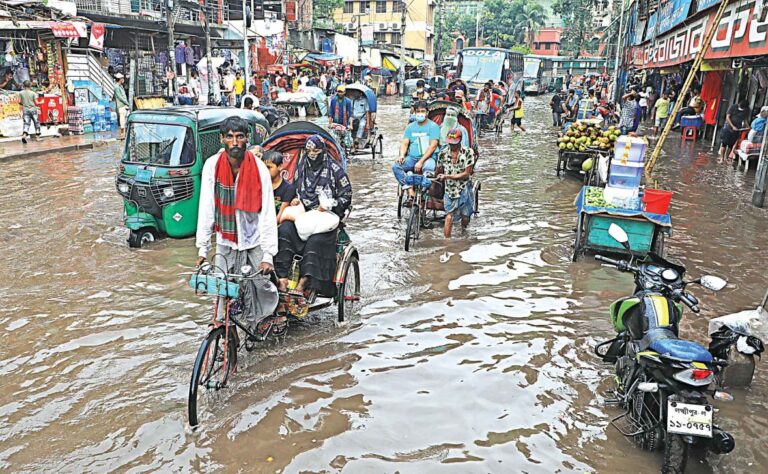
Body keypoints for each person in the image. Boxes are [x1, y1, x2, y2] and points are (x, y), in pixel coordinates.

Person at [195, 117, 278, 324]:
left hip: (254, 237)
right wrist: (202, 249)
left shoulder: (259, 168)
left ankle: (265, 318)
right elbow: (206, 208)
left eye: (239, 137)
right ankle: (224, 331)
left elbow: (267, 212)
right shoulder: (212, 166)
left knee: (261, 284)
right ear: (222, 139)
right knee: (223, 286)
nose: (234, 142)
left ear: (247, 139)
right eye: (230, 137)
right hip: (226, 238)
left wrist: (268, 254)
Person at [275, 135, 352, 295]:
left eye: (315, 151)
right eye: (308, 151)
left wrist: (329, 205)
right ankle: (281, 278)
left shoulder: (335, 170)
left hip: (325, 218)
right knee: (284, 231)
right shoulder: (302, 166)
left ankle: (305, 282)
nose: (312, 154)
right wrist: (295, 199)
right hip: (302, 215)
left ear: (322, 151)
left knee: (315, 242)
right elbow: (295, 188)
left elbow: (346, 194)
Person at [392, 100, 440, 200]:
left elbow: (433, 146)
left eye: (422, 111)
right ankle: (409, 189)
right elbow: (405, 143)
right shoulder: (410, 127)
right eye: (418, 111)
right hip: (412, 158)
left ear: (427, 112)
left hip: (428, 158)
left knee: (429, 170)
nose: (420, 114)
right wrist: (401, 155)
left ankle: (424, 193)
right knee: (396, 166)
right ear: (415, 113)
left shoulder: (433, 126)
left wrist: (421, 161)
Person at [436, 129, 476, 238]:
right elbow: (438, 169)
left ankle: (464, 232)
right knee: (449, 215)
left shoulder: (468, 152)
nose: (452, 146)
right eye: (450, 143)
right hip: (449, 189)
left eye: (454, 143)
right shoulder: (443, 154)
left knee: (466, 216)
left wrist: (447, 176)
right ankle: (447, 243)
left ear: (460, 141)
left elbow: (467, 173)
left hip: (464, 187)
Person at [262, 150, 295, 223]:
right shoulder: (261, 185)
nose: (265, 170)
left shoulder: (288, 188)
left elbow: (280, 214)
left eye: (269, 167)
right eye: (263, 167)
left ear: (280, 167)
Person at [113, 73, 129, 140]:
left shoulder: (120, 86)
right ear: (120, 79)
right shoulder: (116, 87)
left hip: (125, 105)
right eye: (122, 78)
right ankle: (122, 134)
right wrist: (127, 103)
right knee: (122, 120)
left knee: (126, 119)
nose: (123, 79)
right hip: (121, 105)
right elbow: (120, 97)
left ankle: (125, 134)